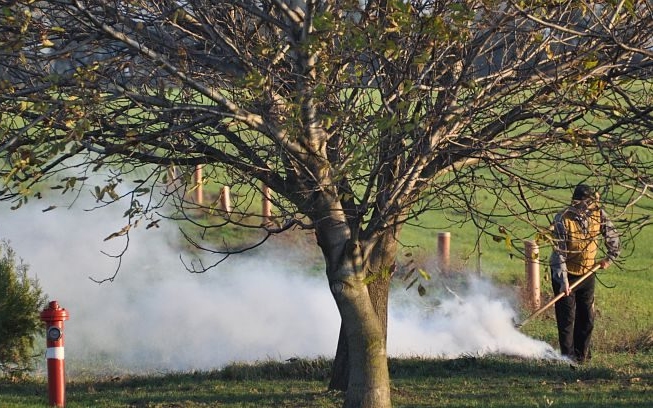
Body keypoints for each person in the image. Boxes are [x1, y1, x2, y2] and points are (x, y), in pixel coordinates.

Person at [549, 183, 620, 364]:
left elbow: (613, 237)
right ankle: (568, 359)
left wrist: (609, 258)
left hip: (588, 272)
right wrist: (563, 282)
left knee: (587, 317)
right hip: (565, 273)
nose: (591, 207)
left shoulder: (599, 214)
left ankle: (581, 356)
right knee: (567, 319)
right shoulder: (562, 219)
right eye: (588, 203)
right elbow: (559, 253)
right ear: (578, 202)